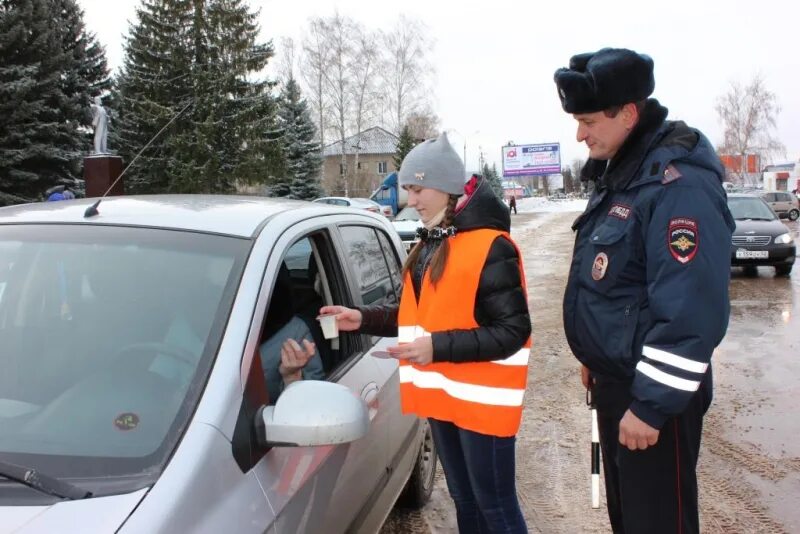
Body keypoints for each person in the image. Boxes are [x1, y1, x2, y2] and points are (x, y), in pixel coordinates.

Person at [554, 48, 735, 533]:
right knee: (631, 521)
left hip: (654, 398)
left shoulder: (677, 185)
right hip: (622, 384)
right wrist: (598, 357)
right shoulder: (625, 175)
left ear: (628, 114)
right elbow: (617, 287)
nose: (579, 133)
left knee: (658, 523)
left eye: (588, 120)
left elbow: (692, 310)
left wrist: (651, 404)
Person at [320, 132, 532, 533]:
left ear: (447, 188)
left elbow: (513, 331)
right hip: (446, 399)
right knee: (466, 501)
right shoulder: (436, 239)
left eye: (417, 189)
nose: (410, 201)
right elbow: (421, 313)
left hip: (482, 406)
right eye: (409, 191)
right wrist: (361, 318)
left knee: (496, 508)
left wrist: (435, 347)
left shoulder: (491, 245)